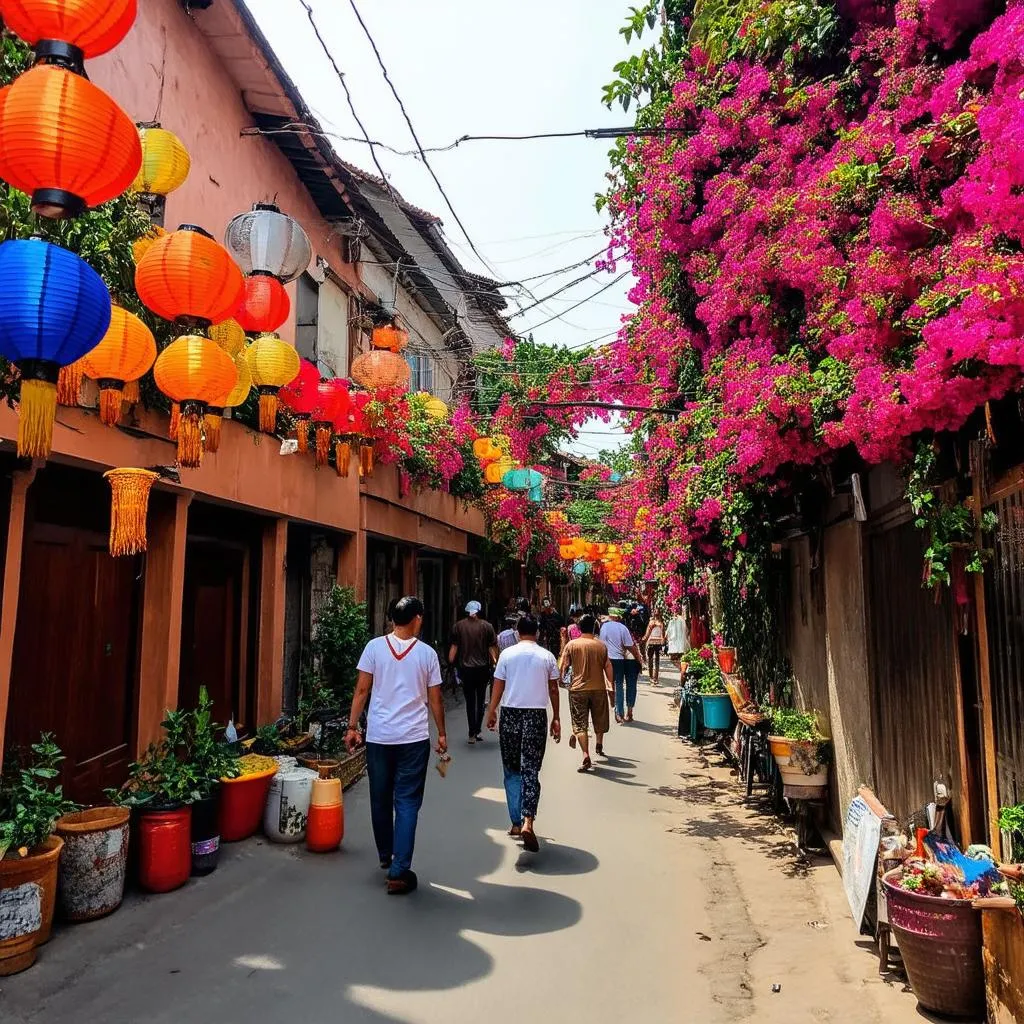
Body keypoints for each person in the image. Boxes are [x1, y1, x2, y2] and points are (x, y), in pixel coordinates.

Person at [346, 596, 446, 896]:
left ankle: (385, 854)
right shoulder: (427, 654)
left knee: (380, 797)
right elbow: (435, 699)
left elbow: (362, 690)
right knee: (407, 801)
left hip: (380, 736)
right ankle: (399, 871)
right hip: (413, 739)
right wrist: (441, 733)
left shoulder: (374, 648)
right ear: (416, 618)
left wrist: (352, 727)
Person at [486, 615, 561, 852]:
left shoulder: (507, 655)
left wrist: (491, 711)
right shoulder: (547, 656)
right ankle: (529, 819)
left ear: (518, 633)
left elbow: (498, 685)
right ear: (537, 633)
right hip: (536, 715)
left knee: (511, 769)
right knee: (531, 769)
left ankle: (516, 822)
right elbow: (553, 689)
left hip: (510, 714)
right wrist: (556, 717)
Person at [559, 613, 614, 772]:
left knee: (579, 723)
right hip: (598, 688)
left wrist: (561, 679)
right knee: (599, 718)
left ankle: (585, 754)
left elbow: (564, 665)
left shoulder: (571, 645)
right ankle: (599, 743)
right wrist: (611, 685)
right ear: (595, 628)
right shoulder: (601, 646)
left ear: (579, 628)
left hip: (578, 690)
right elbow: (608, 666)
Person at [448, 600, 498, 745]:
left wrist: (451, 664)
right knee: (481, 700)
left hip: (466, 670)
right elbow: (491, 649)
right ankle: (477, 730)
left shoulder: (458, 626)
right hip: (482, 669)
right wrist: (495, 663)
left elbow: (454, 649)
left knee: (470, 701)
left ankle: (471, 733)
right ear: (479, 611)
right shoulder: (487, 627)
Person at [600, 606, 641, 724]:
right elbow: (629, 645)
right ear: (619, 616)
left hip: (607, 659)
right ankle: (625, 712)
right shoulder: (623, 628)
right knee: (620, 685)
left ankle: (618, 712)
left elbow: (602, 643)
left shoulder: (604, 627)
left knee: (611, 685)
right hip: (620, 659)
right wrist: (638, 658)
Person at [643, 610, 667, 685]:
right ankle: (655, 678)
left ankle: (651, 677)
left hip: (651, 643)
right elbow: (663, 634)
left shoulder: (651, 622)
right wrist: (663, 641)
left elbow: (647, 634)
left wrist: (643, 640)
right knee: (656, 661)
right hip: (658, 643)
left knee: (651, 660)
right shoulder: (661, 623)